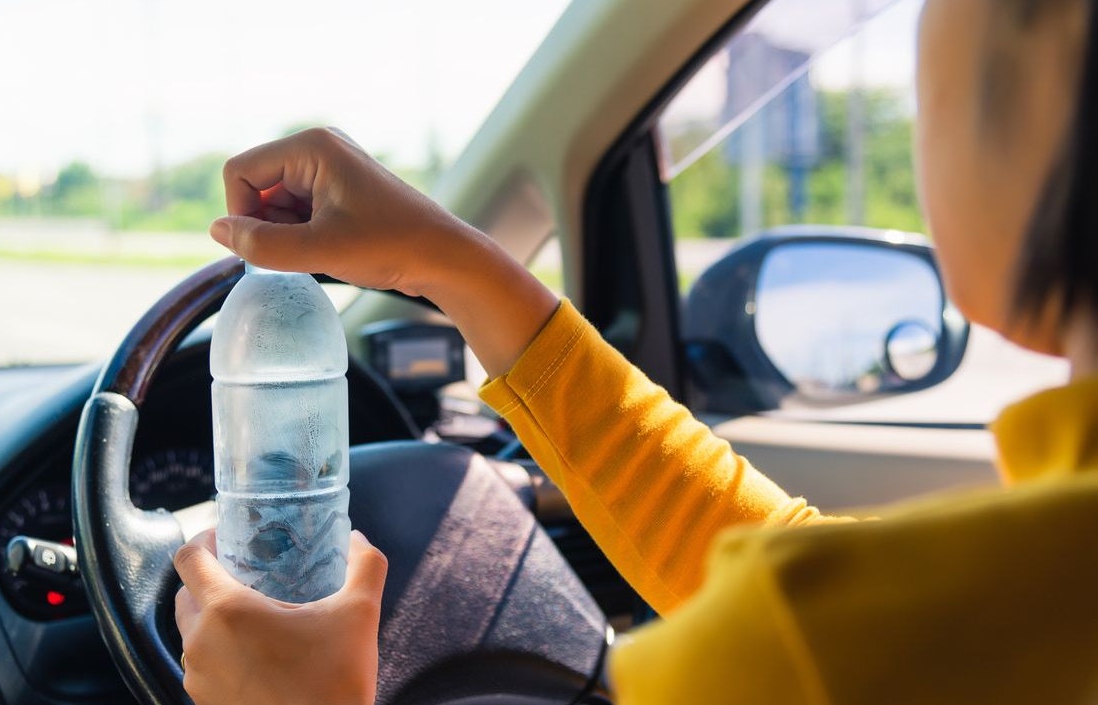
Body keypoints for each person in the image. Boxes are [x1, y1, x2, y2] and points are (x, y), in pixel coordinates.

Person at [172, 0, 1098, 702]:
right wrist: (450, 263)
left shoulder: (816, 650)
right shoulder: (981, 606)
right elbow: (792, 566)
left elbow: (821, 610)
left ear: (1055, 54)